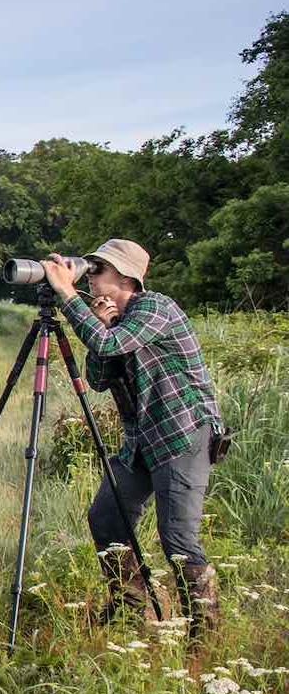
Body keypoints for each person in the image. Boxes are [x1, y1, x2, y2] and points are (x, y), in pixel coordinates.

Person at [41, 240, 225, 638]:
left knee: (177, 538)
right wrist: (101, 324)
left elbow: (109, 345)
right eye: (88, 271)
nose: (89, 278)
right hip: (142, 439)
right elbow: (99, 378)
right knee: (106, 517)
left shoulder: (156, 307)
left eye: (97, 271)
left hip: (183, 433)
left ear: (124, 277)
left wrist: (68, 295)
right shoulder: (116, 321)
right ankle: (129, 609)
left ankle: (204, 635)